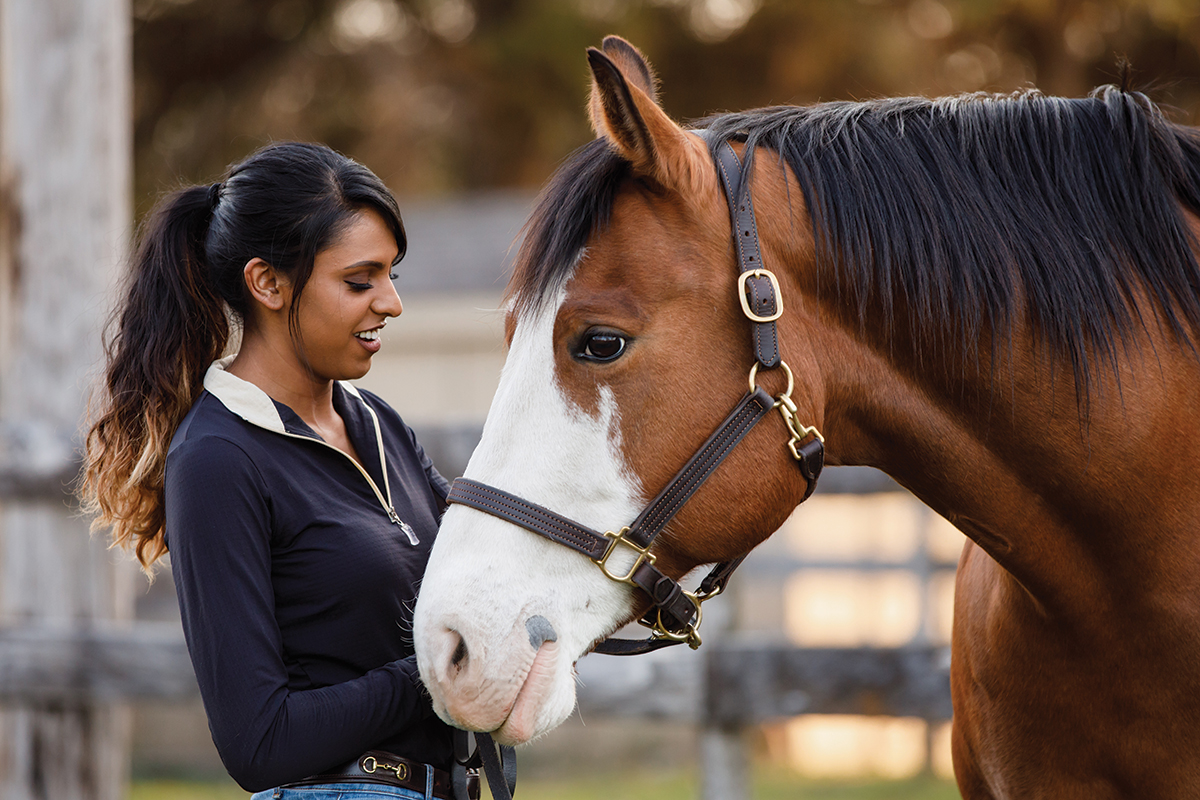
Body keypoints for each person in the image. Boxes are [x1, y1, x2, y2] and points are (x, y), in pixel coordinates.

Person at [80, 142, 473, 800]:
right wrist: (435, 671)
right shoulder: (217, 459)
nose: (392, 303)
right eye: (360, 281)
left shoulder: (378, 423)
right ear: (267, 283)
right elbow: (258, 743)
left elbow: (473, 569)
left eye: (392, 275)